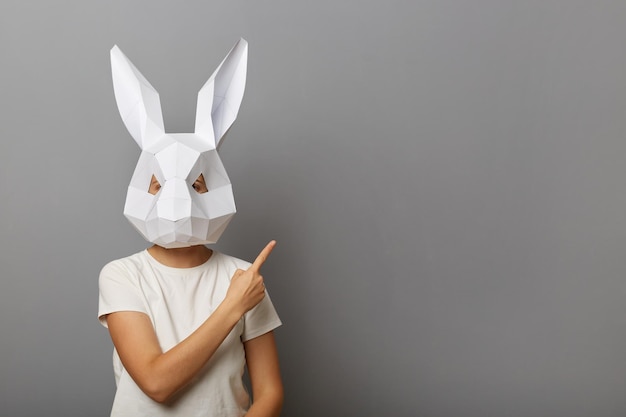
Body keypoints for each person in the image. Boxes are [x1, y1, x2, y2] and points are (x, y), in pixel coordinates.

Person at [99, 40, 283, 416]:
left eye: (196, 185)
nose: (177, 200)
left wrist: (242, 296)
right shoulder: (122, 276)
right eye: (159, 185)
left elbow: (270, 392)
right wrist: (232, 306)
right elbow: (156, 383)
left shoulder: (243, 278)